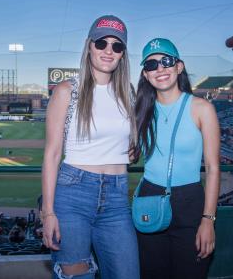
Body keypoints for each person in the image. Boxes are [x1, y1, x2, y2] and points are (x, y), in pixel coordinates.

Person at [41, 15, 139, 279]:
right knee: (78, 276)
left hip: (117, 197)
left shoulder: (128, 92)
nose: (108, 50)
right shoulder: (66, 90)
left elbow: (127, 142)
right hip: (73, 195)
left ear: (122, 54)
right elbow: (51, 155)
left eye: (117, 46)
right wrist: (48, 212)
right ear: (89, 46)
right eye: (101, 43)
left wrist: (133, 146)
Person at [134, 38, 220, 279]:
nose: (160, 69)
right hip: (150, 196)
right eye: (151, 65)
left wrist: (208, 220)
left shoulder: (202, 108)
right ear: (145, 74)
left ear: (179, 67)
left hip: (190, 201)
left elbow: (213, 168)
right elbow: (131, 153)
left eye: (166, 61)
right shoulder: (140, 110)